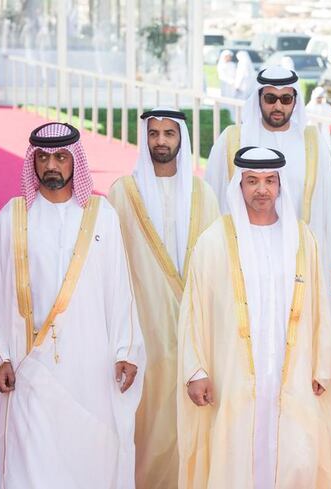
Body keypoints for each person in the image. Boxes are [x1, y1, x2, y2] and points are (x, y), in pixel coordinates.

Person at [0, 122, 146, 488]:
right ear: (32, 162)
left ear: (76, 162)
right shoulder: (12, 218)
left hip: (91, 367)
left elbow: (121, 289)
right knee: (30, 461)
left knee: (90, 458)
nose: (51, 165)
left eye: (61, 157)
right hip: (28, 368)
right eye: (43, 157)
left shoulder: (103, 216)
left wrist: (126, 350)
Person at [179, 147, 331, 488]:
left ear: (281, 184)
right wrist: (196, 370)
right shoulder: (213, 241)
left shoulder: (303, 239)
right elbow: (193, 311)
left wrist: (322, 364)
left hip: (293, 373)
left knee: (298, 455)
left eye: (270, 180)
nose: (262, 190)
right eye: (252, 181)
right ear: (238, 186)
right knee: (236, 458)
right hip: (233, 377)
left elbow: (319, 307)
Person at [205, 66, 331, 360]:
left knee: (298, 346)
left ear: (295, 102)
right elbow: (212, 200)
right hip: (245, 260)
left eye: (286, 99)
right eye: (271, 98)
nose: (278, 106)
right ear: (259, 99)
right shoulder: (232, 140)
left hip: (299, 261)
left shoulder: (312, 141)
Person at [108, 109, 220, 489]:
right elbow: (111, 264)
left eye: (169, 133)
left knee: (189, 415)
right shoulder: (124, 193)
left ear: (181, 139)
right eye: (153, 133)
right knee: (147, 418)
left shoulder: (203, 194)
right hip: (142, 329)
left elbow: (216, 267)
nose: (160, 141)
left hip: (194, 329)